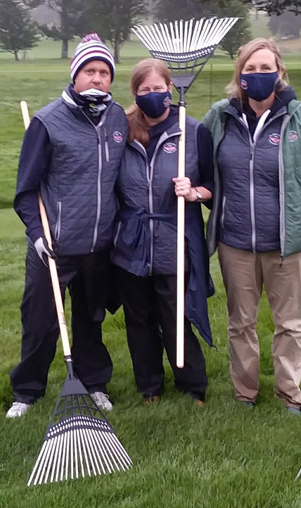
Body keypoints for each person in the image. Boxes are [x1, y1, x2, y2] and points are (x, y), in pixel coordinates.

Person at [202, 38, 301, 414]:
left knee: (289, 324)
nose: (258, 75)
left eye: (266, 68)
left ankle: (289, 394)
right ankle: (245, 392)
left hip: (288, 244)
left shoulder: (300, 118)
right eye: (250, 69)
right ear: (240, 75)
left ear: (279, 71)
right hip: (235, 243)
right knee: (241, 323)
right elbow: (195, 162)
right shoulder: (220, 117)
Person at [6, 33, 128, 418]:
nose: (97, 79)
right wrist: (37, 235)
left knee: (91, 323)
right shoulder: (46, 122)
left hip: (98, 247)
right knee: (41, 324)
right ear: (75, 75)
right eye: (89, 71)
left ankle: (95, 384)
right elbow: (25, 192)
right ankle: (27, 391)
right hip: (54, 247)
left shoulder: (118, 118)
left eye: (104, 72)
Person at [111, 58, 215, 406]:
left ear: (170, 89)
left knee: (175, 316)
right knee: (138, 318)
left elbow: (214, 188)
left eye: (159, 88)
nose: (153, 95)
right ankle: (149, 386)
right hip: (131, 243)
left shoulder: (193, 131)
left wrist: (194, 192)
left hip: (174, 240)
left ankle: (192, 385)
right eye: (145, 90)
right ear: (135, 94)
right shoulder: (121, 131)